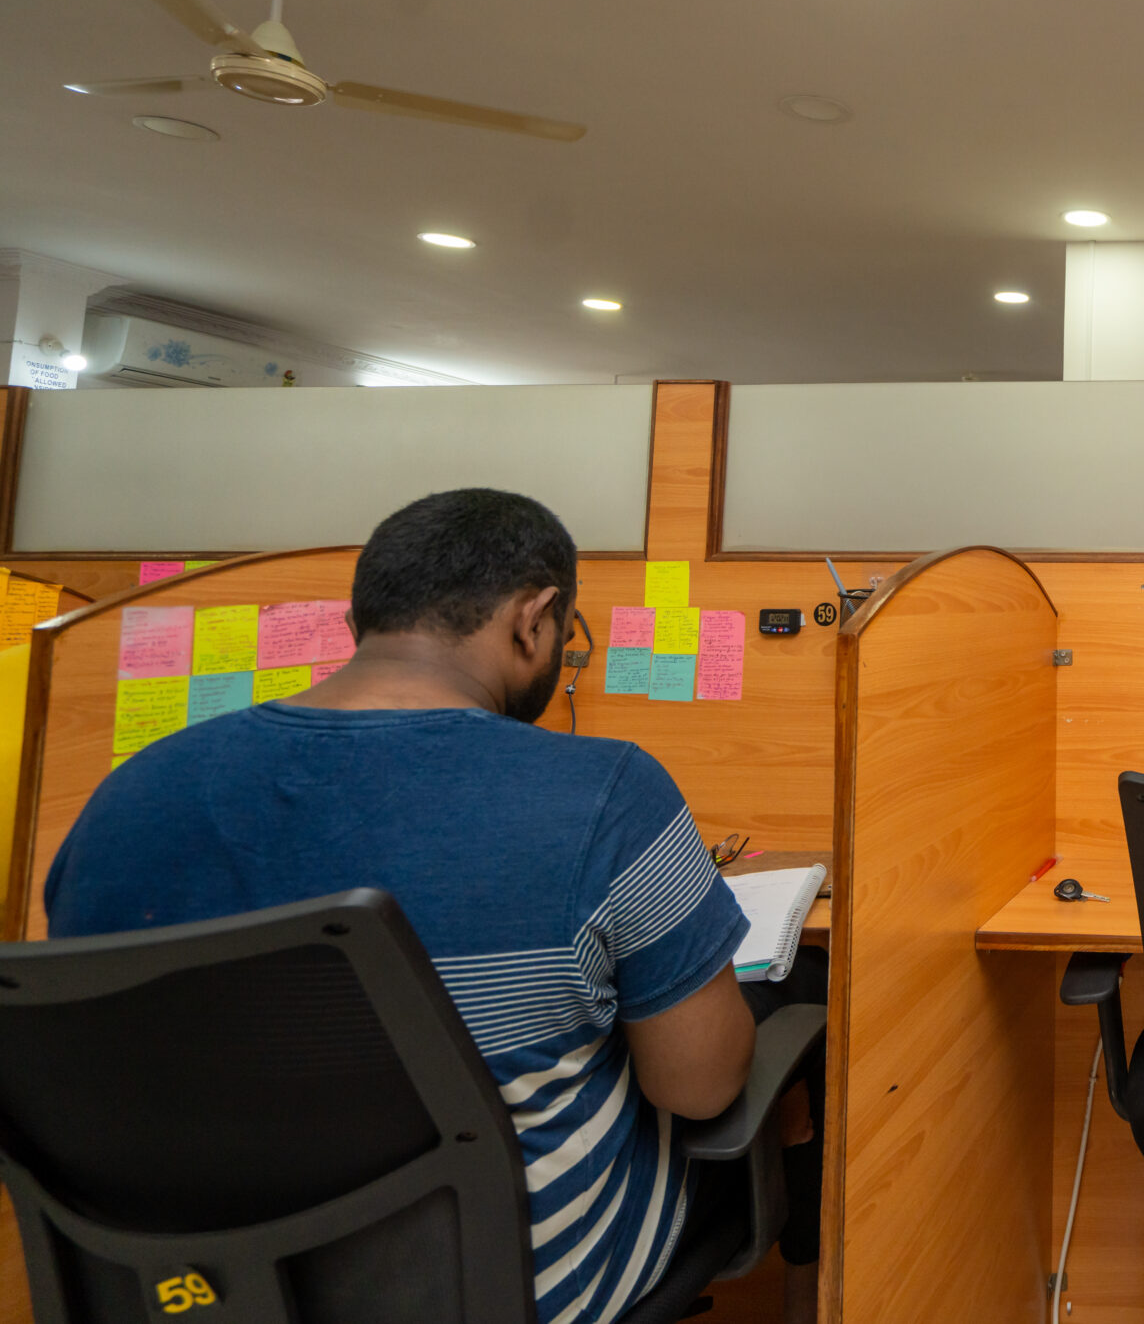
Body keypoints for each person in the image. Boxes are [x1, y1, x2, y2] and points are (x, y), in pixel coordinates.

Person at [47, 488, 821, 1324]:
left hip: (189, 1290)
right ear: (535, 620)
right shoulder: (606, 793)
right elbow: (699, 1091)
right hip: (502, 1289)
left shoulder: (128, 798)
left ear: (359, 623)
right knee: (782, 991)